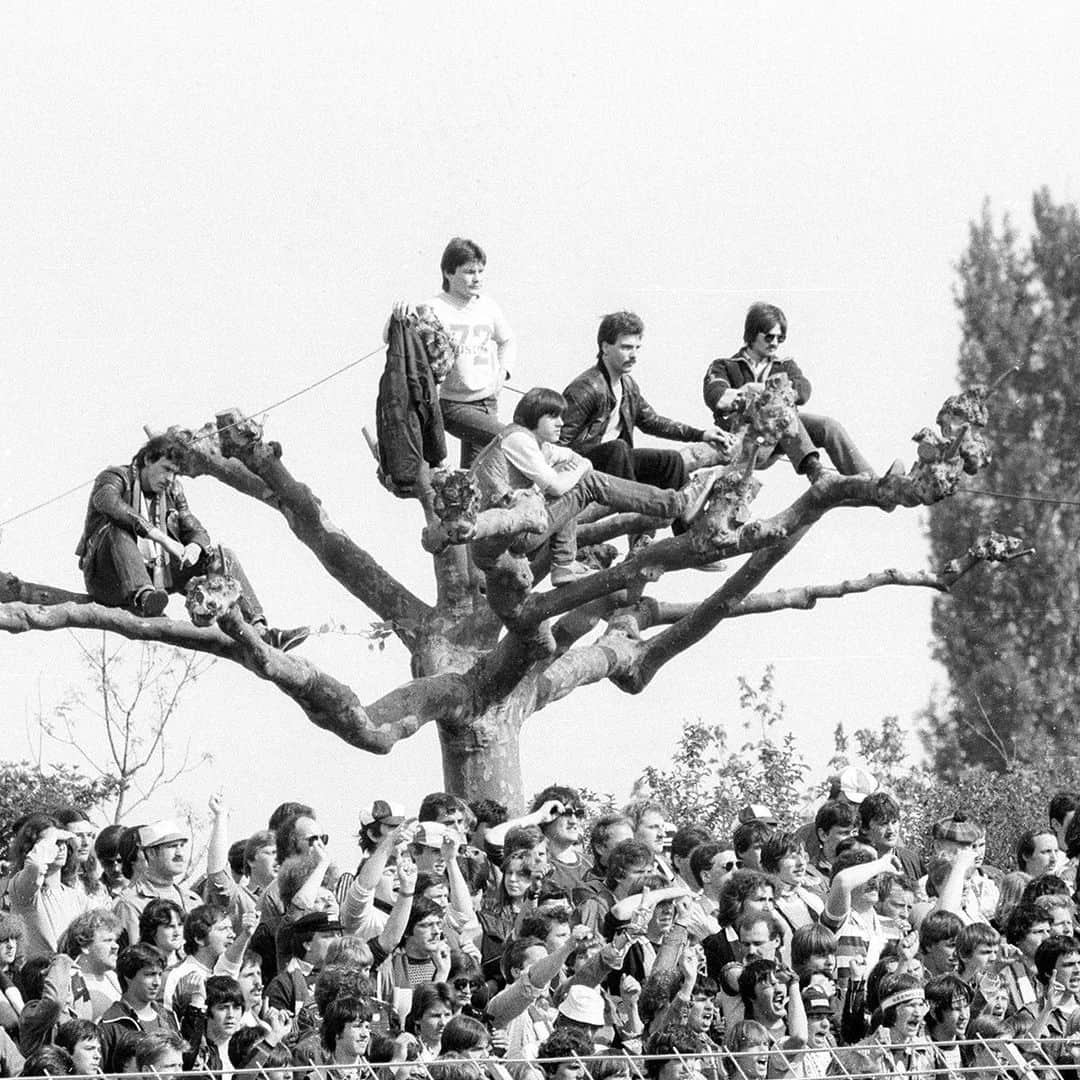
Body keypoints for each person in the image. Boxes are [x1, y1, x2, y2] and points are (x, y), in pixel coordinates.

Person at [75, 434, 308, 649]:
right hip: (108, 577)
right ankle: (145, 598)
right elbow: (107, 501)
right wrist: (161, 538)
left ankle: (259, 630)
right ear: (147, 459)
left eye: (174, 473)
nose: (169, 478)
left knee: (222, 556)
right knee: (118, 527)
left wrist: (195, 547)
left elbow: (194, 527)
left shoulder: (172, 492)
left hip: (157, 575)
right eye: (165, 469)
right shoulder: (116, 476)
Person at [470, 388, 723, 586]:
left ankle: (563, 565)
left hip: (515, 530)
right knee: (585, 481)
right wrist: (582, 468)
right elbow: (557, 487)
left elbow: (569, 457)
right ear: (533, 417)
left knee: (572, 474)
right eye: (553, 416)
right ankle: (676, 503)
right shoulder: (518, 439)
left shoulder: (538, 444)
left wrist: (578, 465)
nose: (560, 422)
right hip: (509, 532)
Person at [702, 302, 903, 485]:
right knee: (780, 407)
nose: (775, 343)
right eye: (769, 337)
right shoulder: (725, 366)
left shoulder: (784, 365)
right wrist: (759, 393)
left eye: (780, 338)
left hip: (781, 436)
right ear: (753, 334)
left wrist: (773, 393)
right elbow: (717, 397)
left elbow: (803, 390)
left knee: (827, 426)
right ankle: (815, 472)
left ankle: (873, 484)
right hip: (744, 442)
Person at [560, 312, 729, 498]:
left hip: (619, 463)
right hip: (585, 469)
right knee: (618, 448)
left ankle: (686, 523)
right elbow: (557, 442)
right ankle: (636, 513)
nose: (633, 355)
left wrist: (701, 434)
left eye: (637, 348)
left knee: (671, 461)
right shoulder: (586, 388)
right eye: (626, 348)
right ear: (605, 348)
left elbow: (652, 421)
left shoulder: (628, 386)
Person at [112, 819, 202, 948]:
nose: (180, 853)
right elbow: (136, 957)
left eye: (181, 846)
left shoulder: (192, 900)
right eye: (172, 846)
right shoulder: (131, 903)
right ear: (151, 853)